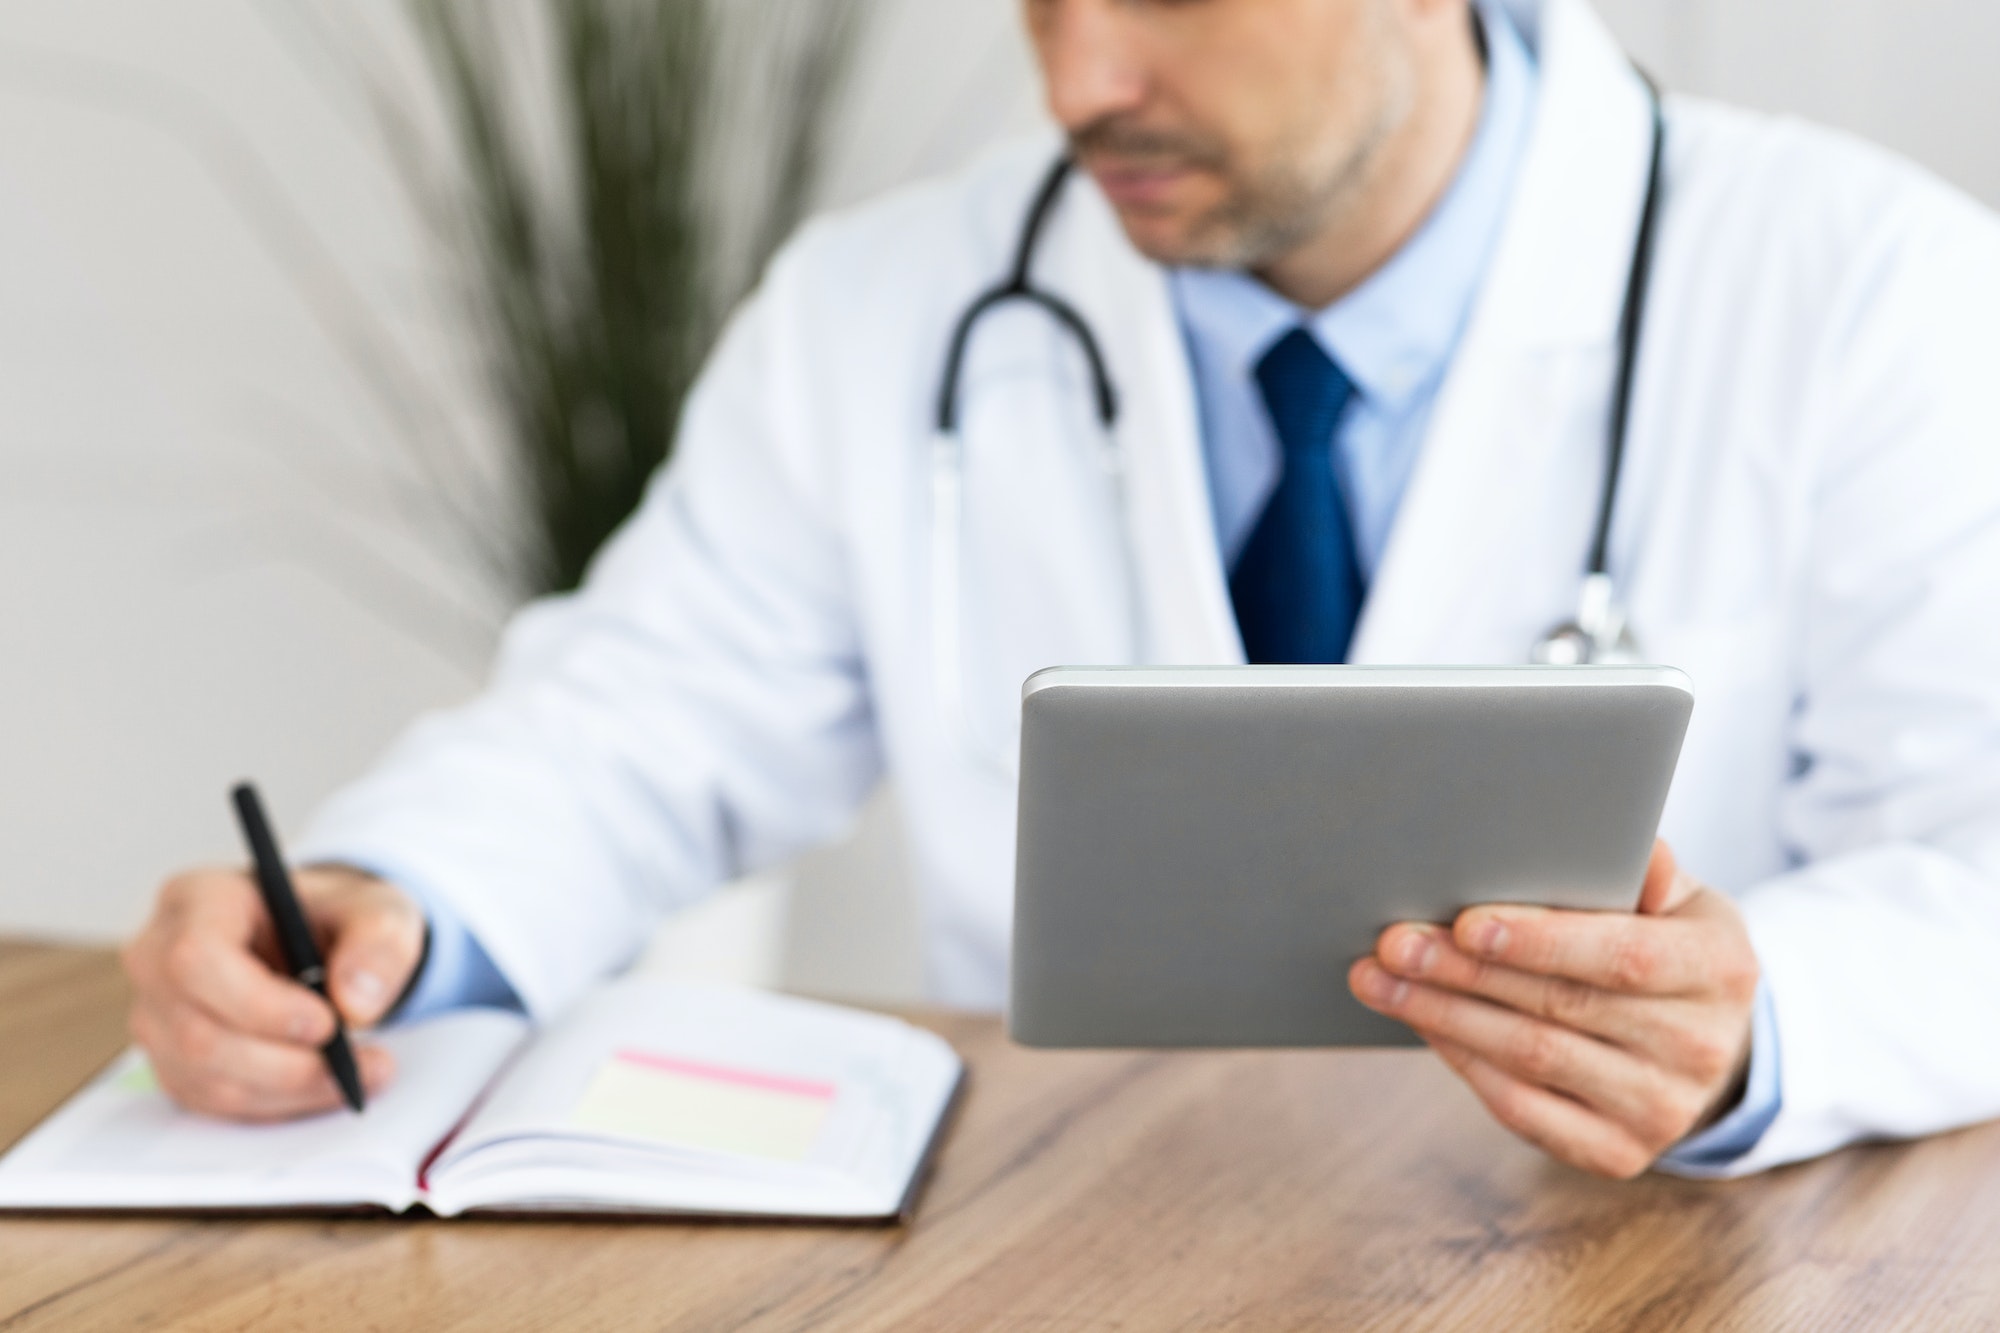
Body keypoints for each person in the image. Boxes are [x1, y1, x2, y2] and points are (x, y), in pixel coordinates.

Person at [123, 0, 2000, 1180]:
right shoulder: (885, 305)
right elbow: (633, 717)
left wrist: (1756, 1025)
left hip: (1641, 1263)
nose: (1082, 80)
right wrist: (389, 903)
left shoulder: (1865, 290)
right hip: (1075, 1236)